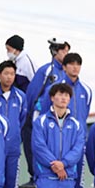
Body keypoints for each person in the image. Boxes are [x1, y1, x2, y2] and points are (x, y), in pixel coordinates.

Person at [30, 83, 86, 188]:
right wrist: (55, 165)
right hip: (46, 177)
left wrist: (64, 164)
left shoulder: (76, 124)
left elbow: (78, 148)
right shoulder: (41, 121)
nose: (63, 98)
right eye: (60, 95)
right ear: (52, 97)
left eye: (66, 95)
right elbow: (38, 146)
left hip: (67, 178)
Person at [57, 53, 93, 188]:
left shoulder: (86, 90)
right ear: (64, 67)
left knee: (78, 179)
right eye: (71, 64)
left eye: (78, 64)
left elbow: (85, 114)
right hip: (59, 142)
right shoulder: (56, 88)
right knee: (59, 178)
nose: (74, 67)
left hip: (78, 142)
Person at [23, 38, 69, 171]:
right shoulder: (47, 70)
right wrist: (30, 113)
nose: (66, 54)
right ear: (55, 51)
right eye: (63, 51)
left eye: (67, 51)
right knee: (37, 145)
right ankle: (34, 172)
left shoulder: (66, 73)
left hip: (59, 119)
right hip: (41, 115)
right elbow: (32, 93)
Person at [0, 61, 27, 188]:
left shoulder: (21, 97)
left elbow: (22, 119)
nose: (9, 77)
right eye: (6, 73)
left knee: (12, 180)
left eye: (12, 74)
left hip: (13, 146)